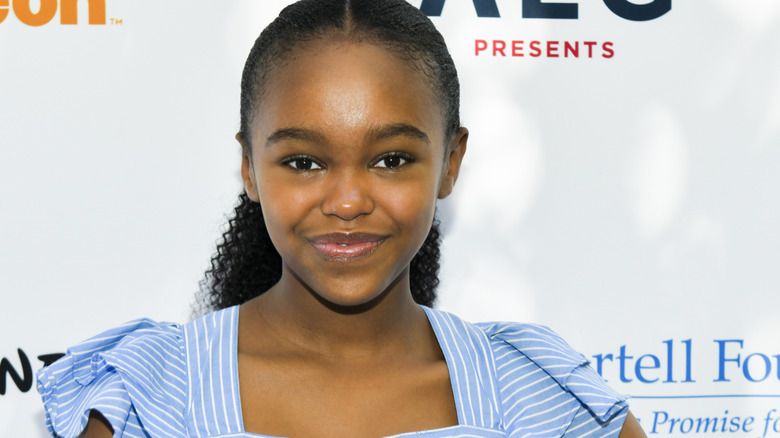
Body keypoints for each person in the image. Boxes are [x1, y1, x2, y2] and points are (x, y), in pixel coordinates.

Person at [37, 0, 646, 436]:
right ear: (249, 168)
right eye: (303, 161)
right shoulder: (148, 397)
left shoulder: (539, 395)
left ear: (450, 163)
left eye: (391, 159)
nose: (348, 200)